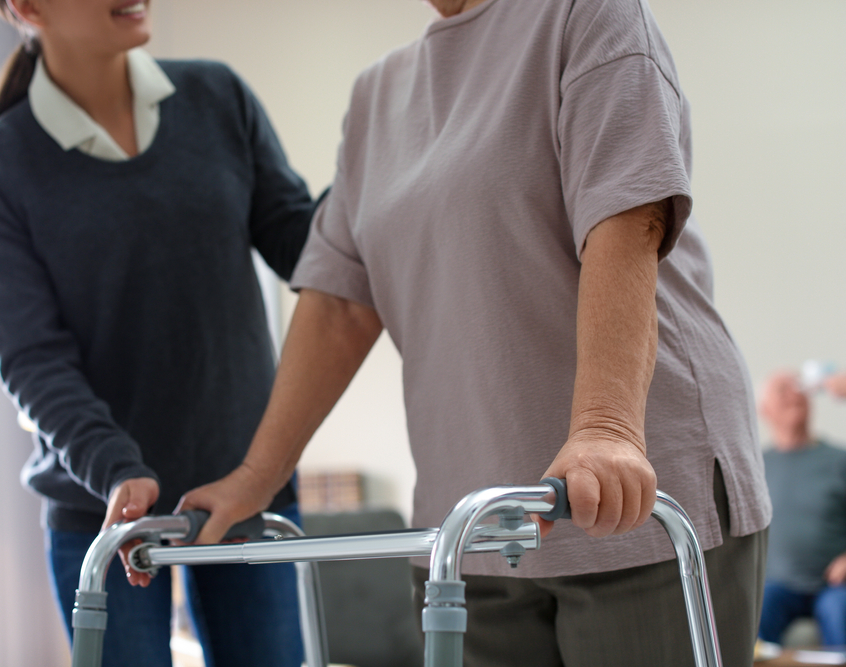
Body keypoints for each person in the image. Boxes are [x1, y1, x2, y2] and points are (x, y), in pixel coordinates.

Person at [178, 0, 772, 665]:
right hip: (473, 522)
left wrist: (606, 427)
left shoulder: (584, 14)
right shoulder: (378, 95)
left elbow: (625, 221)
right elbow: (340, 303)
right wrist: (258, 473)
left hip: (632, 493)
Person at [0, 1, 318, 666]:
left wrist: (387, 186)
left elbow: (305, 247)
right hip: (103, 509)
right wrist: (116, 469)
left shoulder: (219, 97)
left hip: (247, 492)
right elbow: (35, 361)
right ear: (29, 8)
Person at [758, 372, 846, 646]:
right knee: (759, 611)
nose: (794, 394)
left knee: (837, 611)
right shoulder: (756, 466)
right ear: (765, 409)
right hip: (779, 585)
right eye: (783, 389)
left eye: (800, 388)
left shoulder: (838, 460)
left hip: (834, 586)